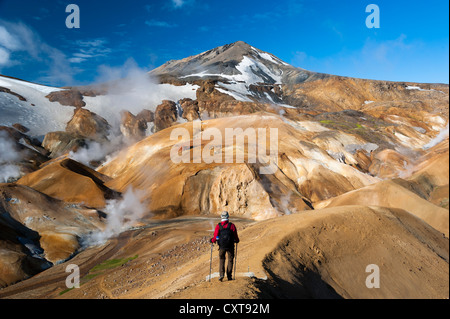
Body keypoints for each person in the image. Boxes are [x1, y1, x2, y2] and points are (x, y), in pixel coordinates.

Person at [210, 211, 239, 281]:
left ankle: (221, 275)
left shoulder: (218, 226)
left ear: (221, 217)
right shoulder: (232, 225)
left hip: (222, 246)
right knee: (230, 260)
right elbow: (235, 236)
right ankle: (229, 276)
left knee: (222, 259)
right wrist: (237, 240)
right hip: (230, 246)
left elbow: (215, 236)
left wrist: (212, 240)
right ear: (228, 217)